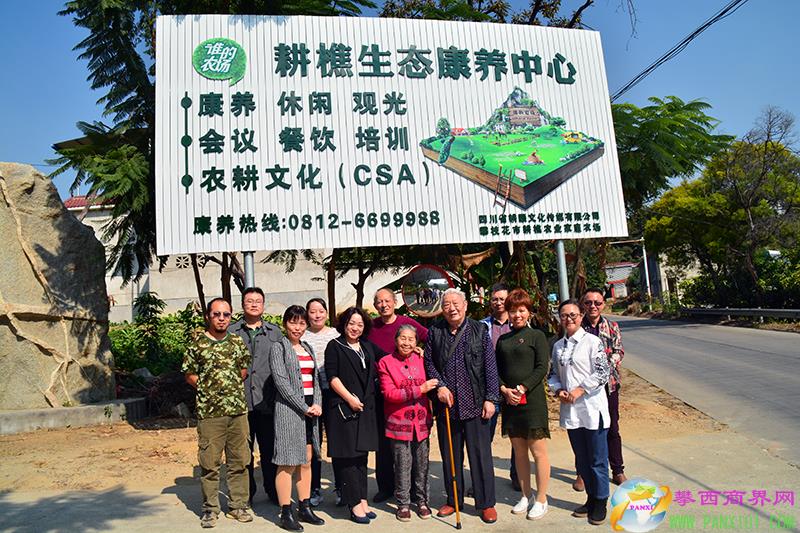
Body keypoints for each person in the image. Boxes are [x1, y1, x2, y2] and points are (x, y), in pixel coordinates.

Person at [424, 288, 500, 524]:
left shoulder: (480, 330)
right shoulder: (435, 331)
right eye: (447, 304)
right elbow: (429, 362)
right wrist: (440, 386)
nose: (452, 308)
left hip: (475, 404)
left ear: (465, 305)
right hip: (448, 406)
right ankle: (453, 499)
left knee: (480, 456)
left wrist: (491, 398)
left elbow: (490, 366)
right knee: (450, 456)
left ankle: (486, 503)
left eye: (456, 303)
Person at [183, 298, 253, 529]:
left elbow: (243, 369)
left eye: (226, 314)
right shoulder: (197, 344)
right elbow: (189, 374)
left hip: (237, 411)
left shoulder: (236, 342)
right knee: (210, 463)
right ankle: (210, 509)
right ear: (208, 316)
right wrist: (208, 389)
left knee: (239, 461)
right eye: (217, 314)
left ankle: (238, 506)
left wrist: (228, 388)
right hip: (210, 414)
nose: (221, 318)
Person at [548, 299, 610, 526]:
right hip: (572, 411)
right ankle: (591, 498)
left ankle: (601, 500)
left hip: (592, 409)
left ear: (581, 316)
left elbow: (603, 372)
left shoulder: (593, 341)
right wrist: (558, 390)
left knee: (597, 459)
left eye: (573, 314)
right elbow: (553, 374)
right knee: (582, 460)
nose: (569, 319)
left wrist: (580, 390)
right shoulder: (558, 346)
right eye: (564, 315)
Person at [324, 307, 386, 524]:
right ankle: (353, 504)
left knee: (361, 457)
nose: (355, 328)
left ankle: (362, 499)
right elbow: (332, 377)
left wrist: (413, 351)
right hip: (344, 408)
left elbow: (388, 357)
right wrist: (349, 398)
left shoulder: (367, 345)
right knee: (348, 458)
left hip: (365, 409)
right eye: (351, 323)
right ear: (344, 324)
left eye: (360, 324)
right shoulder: (335, 346)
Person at [367, 288, 429, 503]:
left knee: (409, 444)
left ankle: (411, 490)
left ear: (395, 302)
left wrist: (420, 350)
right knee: (384, 442)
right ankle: (386, 487)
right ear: (375, 305)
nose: (383, 305)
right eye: (379, 301)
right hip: (382, 387)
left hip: (409, 388)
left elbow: (429, 338)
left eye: (387, 300)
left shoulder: (406, 323)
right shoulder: (371, 326)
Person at [494, 289, 551, 520]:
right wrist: (504, 390)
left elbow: (542, 367)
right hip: (510, 402)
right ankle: (526, 495)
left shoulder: (537, 336)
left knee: (538, 452)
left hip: (532, 402)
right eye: (513, 311)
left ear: (529, 312)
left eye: (521, 310)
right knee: (519, 452)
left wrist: (523, 387)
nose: (517, 315)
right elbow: (495, 370)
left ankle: (542, 499)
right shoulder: (502, 340)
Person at [270, 305, 325, 531]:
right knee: (287, 462)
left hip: (310, 411)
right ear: (285, 323)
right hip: (289, 412)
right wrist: (303, 407)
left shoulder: (307, 347)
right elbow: (281, 383)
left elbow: (316, 380)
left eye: (302, 323)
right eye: (293, 322)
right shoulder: (279, 347)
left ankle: (304, 506)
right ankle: (285, 512)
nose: (297, 327)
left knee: (306, 460)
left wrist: (317, 404)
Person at [377, 325, 438, 521]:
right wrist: (420, 389)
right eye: (403, 338)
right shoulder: (386, 362)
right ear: (396, 340)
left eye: (411, 339)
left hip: (421, 421)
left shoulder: (422, 359)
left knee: (422, 464)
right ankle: (403, 503)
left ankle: (422, 501)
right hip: (399, 422)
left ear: (416, 342)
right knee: (402, 465)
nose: (407, 343)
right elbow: (390, 394)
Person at [229, 287, 283, 506]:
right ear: (242, 304)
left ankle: (273, 490)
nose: (253, 304)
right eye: (249, 301)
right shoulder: (232, 332)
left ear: (263, 305)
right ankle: (247, 494)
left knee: (270, 450)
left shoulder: (274, 333)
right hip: (240, 402)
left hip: (267, 402)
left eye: (257, 301)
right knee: (243, 452)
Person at [579, 288, 627, 487]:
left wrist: (603, 367)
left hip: (608, 385)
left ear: (603, 305)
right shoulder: (577, 327)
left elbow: (618, 351)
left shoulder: (611, 326)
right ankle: (583, 472)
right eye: (588, 302)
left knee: (612, 428)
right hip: (583, 387)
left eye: (597, 303)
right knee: (584, 428)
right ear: (583, 305)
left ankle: (617, 470)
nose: (593, 306)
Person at [302, 298, 341, 507]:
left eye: (320, 311)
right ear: (307, 314)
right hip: (310, 396)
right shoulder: (302, 336)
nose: (317, 315)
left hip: (333, 393)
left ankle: (340, 487)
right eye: (312, 311)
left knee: (336, 441)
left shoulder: (336, 335)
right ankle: (314, 488)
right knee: (314, 443)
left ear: (326, 312)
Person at [479, 282, 518, 491]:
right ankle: (482, 479)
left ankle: (517, 476)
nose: (498, 302)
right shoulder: (481, 326)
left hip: (514, 389)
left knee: (517, 436)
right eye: (494, 299)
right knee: (484, 437)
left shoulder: (519, 324)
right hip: (489, 390)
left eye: (502, 298)